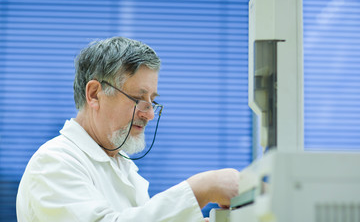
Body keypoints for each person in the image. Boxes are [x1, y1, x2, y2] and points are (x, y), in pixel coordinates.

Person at [16, 37, 240, 222]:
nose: (149, 114)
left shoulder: (121, 165)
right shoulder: (53, 163)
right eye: (137, 99)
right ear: (94, 94)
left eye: (152, 101)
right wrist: (199, 189)